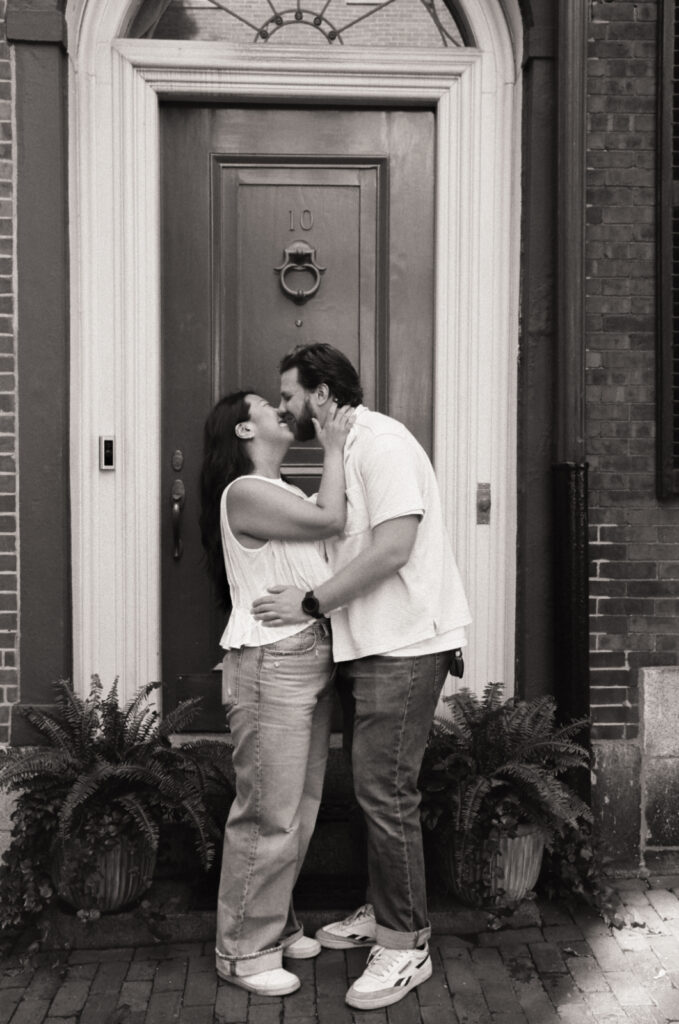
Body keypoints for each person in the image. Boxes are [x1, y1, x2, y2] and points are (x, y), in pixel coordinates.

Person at [252, 343, 472, 1011]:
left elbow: (394, 547)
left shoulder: (383, 443)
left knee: (384, 792)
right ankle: (384, 913)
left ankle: (405, 947)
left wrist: (311, 604)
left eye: (289, 394)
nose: (284, 406)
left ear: (321, 394)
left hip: (403, 648)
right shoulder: (344, 449)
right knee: (375, 790)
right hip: (367, 648)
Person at [199, 389, 354, 998]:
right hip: (271, 663)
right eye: (267, 405)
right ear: (244, 429)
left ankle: (274, 924)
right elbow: (332, 520)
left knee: (300, 805)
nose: (280, 411)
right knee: (268, 812)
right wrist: (336, 446)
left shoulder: (282, 489)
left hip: (306, 654)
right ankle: (242, 951)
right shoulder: (243, 493)